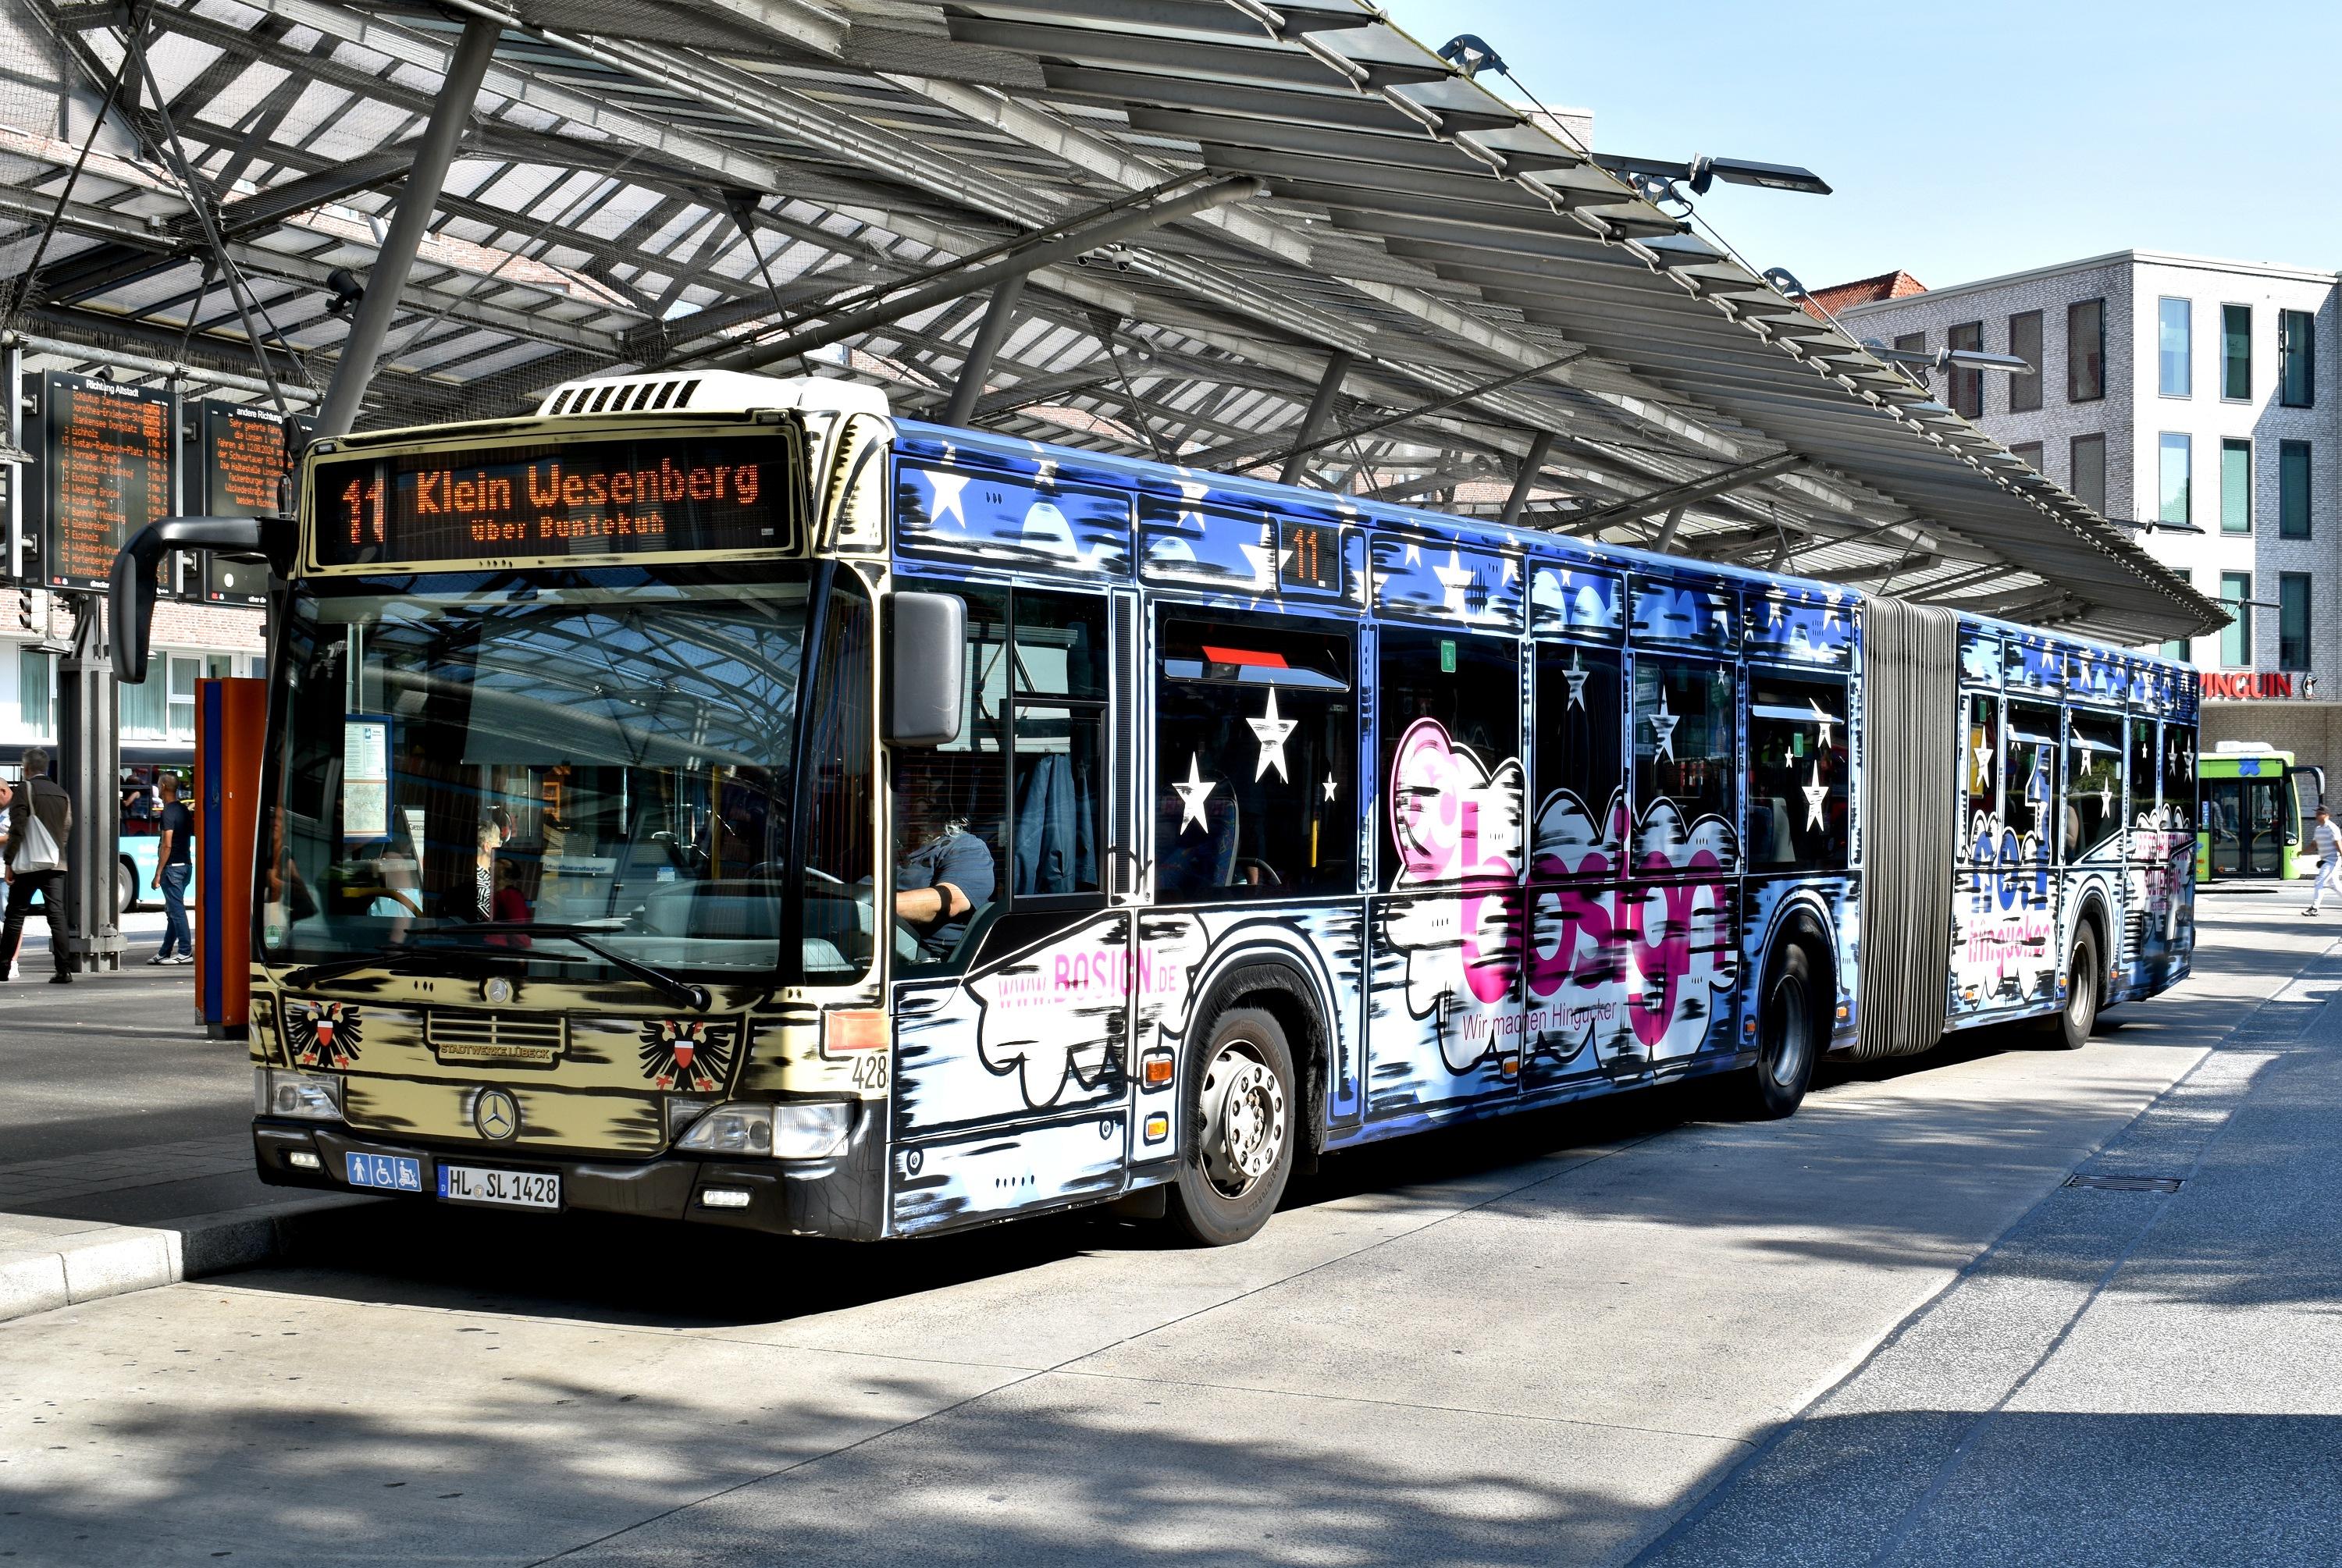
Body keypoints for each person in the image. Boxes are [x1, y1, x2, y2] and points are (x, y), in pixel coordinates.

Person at [893, 766, 994, 961]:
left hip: (924, 957)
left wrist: (871, 906)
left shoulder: (967, 848)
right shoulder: (884, 851)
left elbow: (949, 901)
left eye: (919, 798)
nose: (903, 809)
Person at [2, 748, 74, 984]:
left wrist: (10, 861)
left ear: (26, 768)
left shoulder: (25, 789)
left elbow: (17, 828)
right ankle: (64, 970)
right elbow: (66, 827)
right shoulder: (62, 793)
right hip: (55, 862)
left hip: (30, 863)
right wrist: (55, 851)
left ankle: (3, 968)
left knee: (15, 915)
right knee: (56, 914)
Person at [148, 772, 195, 965]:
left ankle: (185, 951)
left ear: (164, 787)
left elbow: (166, 845)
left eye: (159, 784)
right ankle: (164, 952)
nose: (158, 788)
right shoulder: (183, 810)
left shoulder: (168, 812)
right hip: (185, 867)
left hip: (172, 869)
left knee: (176, 912)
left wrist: (158, 873)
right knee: (173, 911)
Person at [2305, 804, 2342, 916]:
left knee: (2319, 881)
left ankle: (2314, 908)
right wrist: (2302, 852)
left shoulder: (2332, 828)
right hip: (2325, 860)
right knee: (2335, 885)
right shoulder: (2318, 829)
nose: (2316, 815)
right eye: (2316, 813)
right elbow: (2313, 845)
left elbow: (2338, 844)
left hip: (2333, 860)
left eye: (2319, 813)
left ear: (2326, 815)